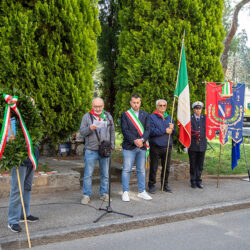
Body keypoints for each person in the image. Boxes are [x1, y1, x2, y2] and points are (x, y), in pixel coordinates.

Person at [79, 97, 115, 205]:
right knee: (88, 174)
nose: (98, 108)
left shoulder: (108, 116)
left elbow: (112, 131)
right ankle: (86, 195)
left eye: (100, 106)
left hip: (105, 149)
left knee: (105, 174)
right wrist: (90, 128)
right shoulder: (87, 116)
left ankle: (104, 194)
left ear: (103, 106)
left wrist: (112, 144)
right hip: (91, 150)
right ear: (92, 106)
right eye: (95, 106)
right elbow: (82, 132)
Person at [8, 118, 39, 233]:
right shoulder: (13, 119)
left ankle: (24, 214)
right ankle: (12, 220)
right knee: (17, 190)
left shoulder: (33, 120)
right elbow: (8, 136)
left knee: (27, 188)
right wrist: (9, 139)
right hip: (20, 160)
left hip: (31, 158)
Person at [121, 94, 152, 202]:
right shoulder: (125, 115)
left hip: (142, 146)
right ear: (130, 102)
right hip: (129, 146)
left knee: (141, 170)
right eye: (134, 102)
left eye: (138, 102)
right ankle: (125, 192)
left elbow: (148, 129)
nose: (136, 104)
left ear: (140, 102)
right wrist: (134, 140)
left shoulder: (145, 114)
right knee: (126, 170)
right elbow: (125, 130)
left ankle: (142, 191)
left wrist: (142, 140)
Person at [148, 99, 175, 194]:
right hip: (156, 146)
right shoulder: (151, 117)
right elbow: (151, 131)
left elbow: (173, 132)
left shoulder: (169, 117)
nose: (162, 107)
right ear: (157, 106)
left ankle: (164, 185)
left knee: (166, 167)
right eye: (160, 105)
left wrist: (172, 129)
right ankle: (151, 185)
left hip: (167, 146)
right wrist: (165, 130)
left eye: (164, 105)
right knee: (154, 167)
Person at [188, 101, 207, 189]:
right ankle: (193, 181)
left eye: (199, 109)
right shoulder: (190, 118)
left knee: (200, 164)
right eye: (196, 108)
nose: (198, 110)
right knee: (193, 164)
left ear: (201, 109)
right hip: (192, 145)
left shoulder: (205, 118)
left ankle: (198, 180)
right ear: (194, 109)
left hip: (202, 144)